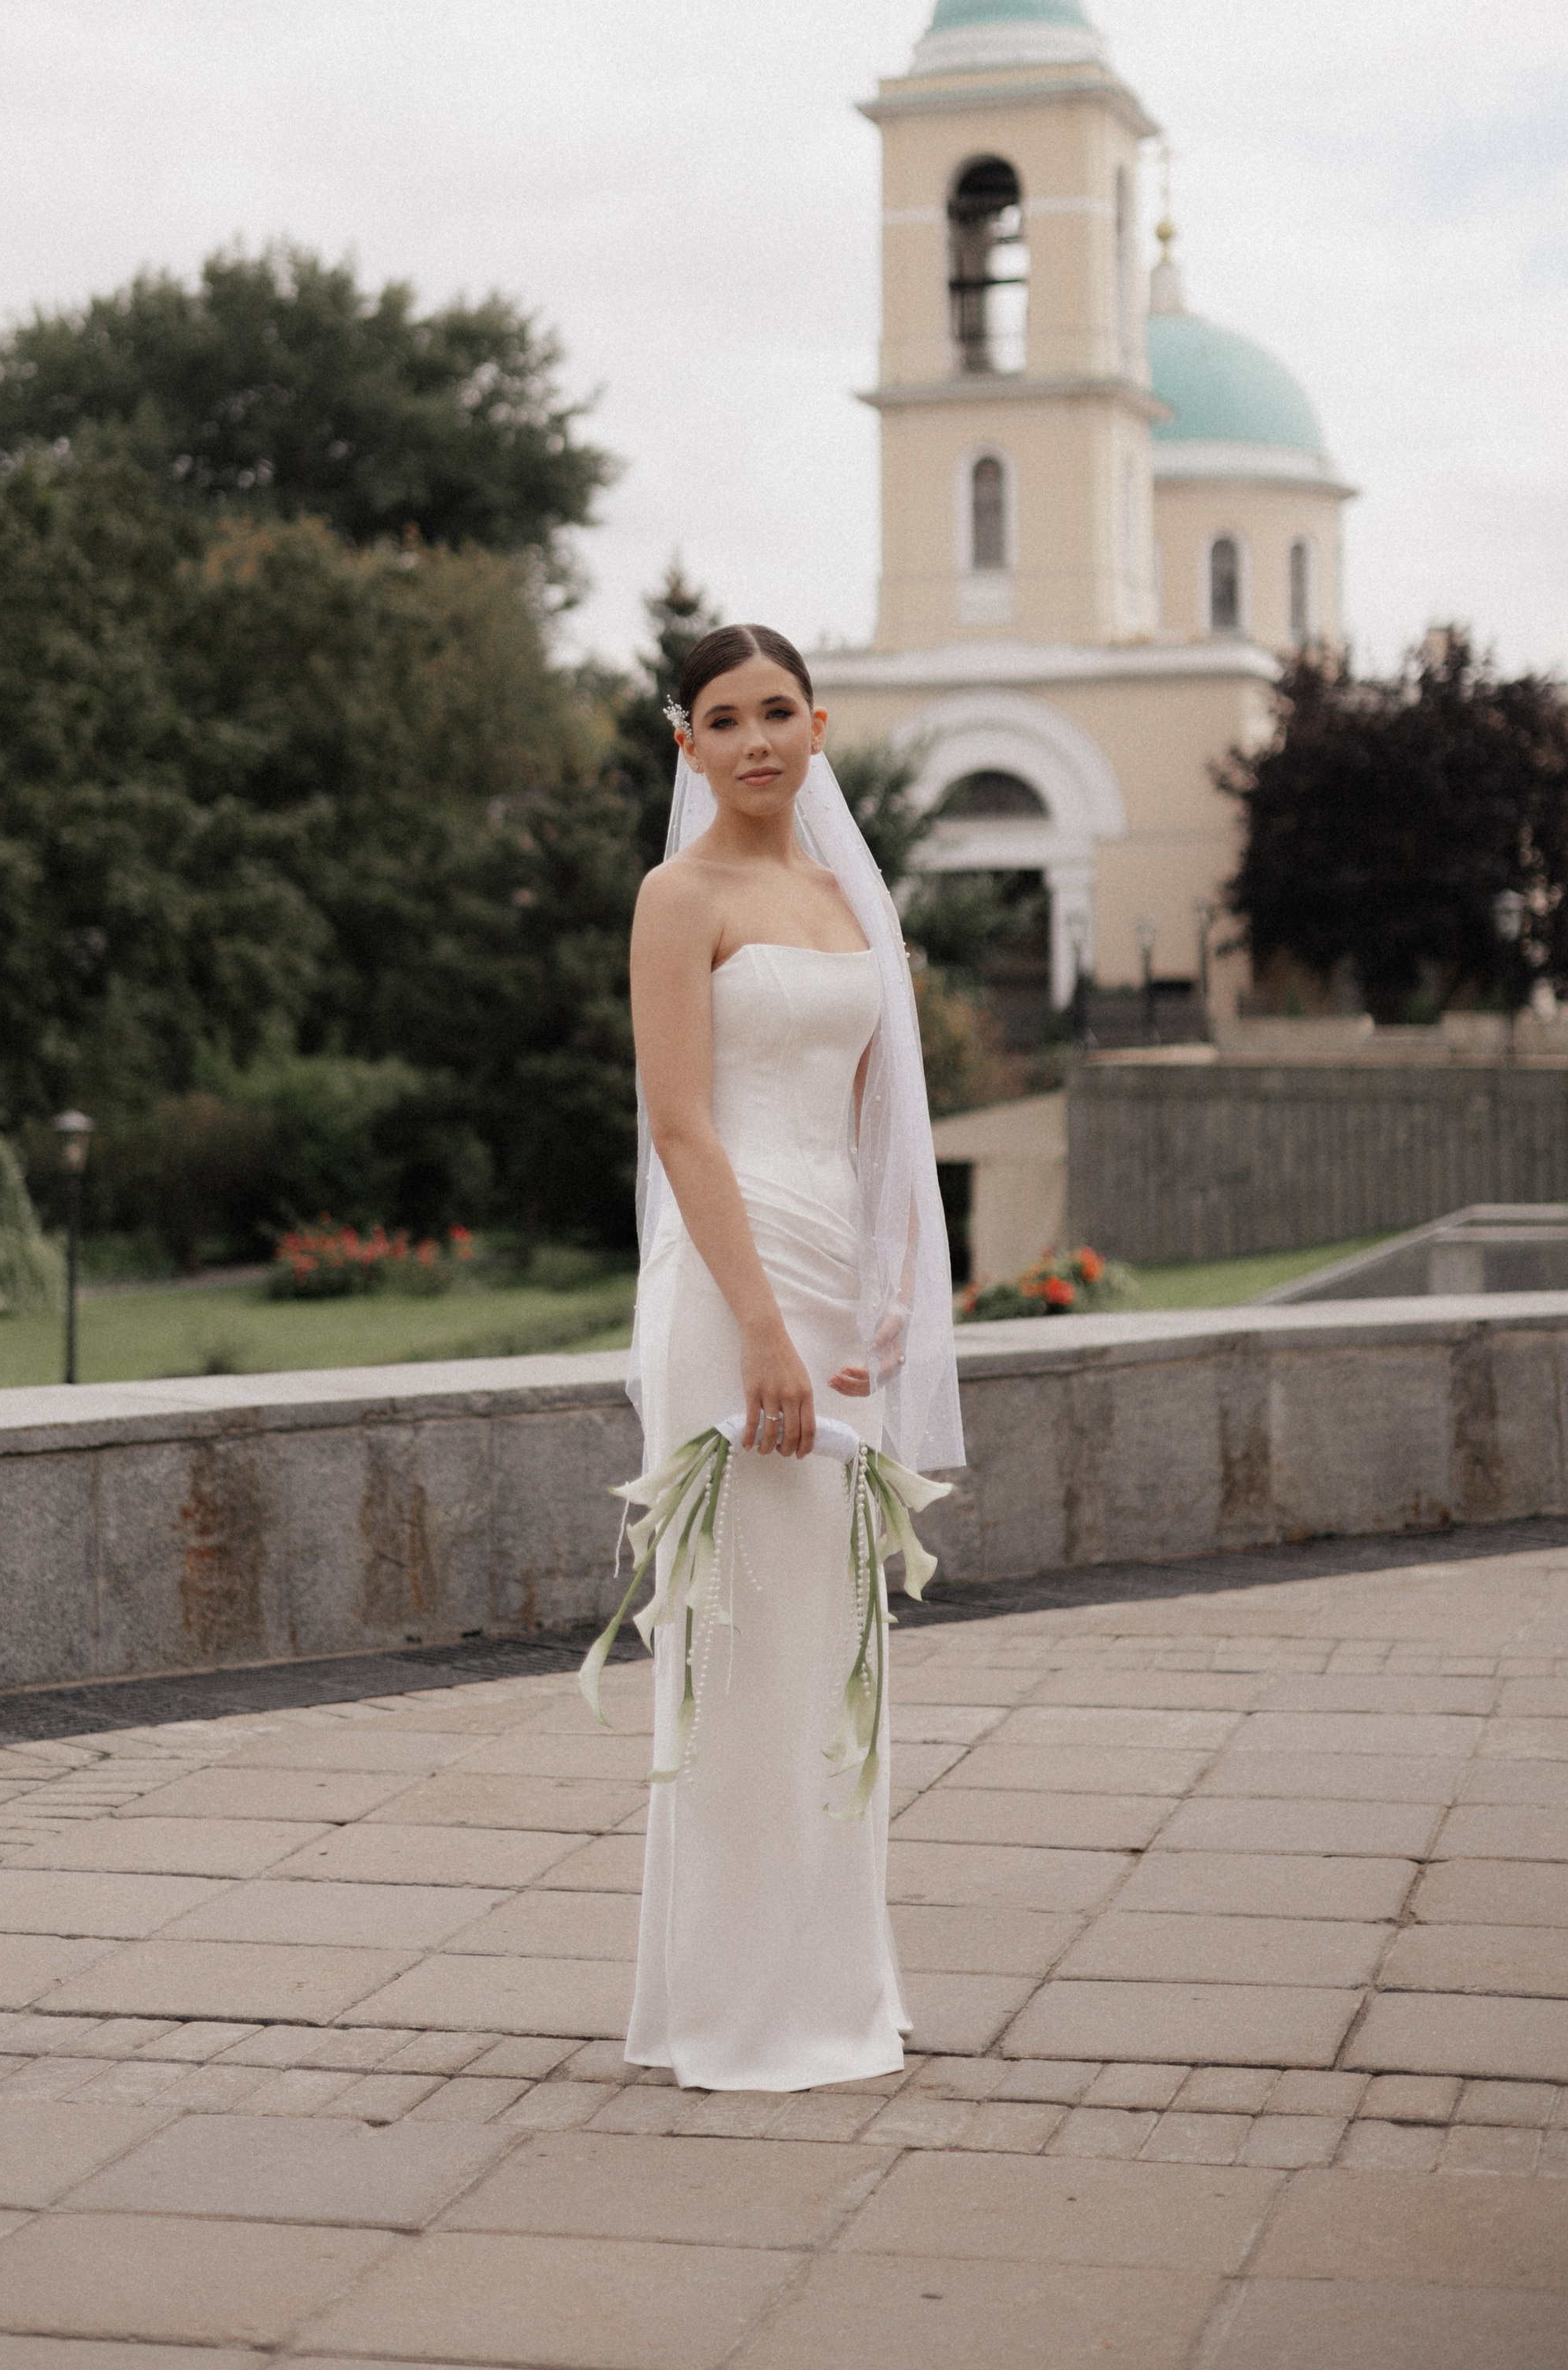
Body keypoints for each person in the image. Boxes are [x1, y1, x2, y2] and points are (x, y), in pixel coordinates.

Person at [614, 621, 961, 2093]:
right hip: (729, 1288)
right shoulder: (676, 896)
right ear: (686, 744)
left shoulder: (847, 900)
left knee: (830, 1641)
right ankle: (734, 2010)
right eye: (722, 718)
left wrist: (890, 1293)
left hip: (833, 1289)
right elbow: (682, 1125)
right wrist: (758, 1323)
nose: (753, 740)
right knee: (740, 1640)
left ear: (819, 728)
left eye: (776, 712)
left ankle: (833, 1988)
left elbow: (884, 1122)